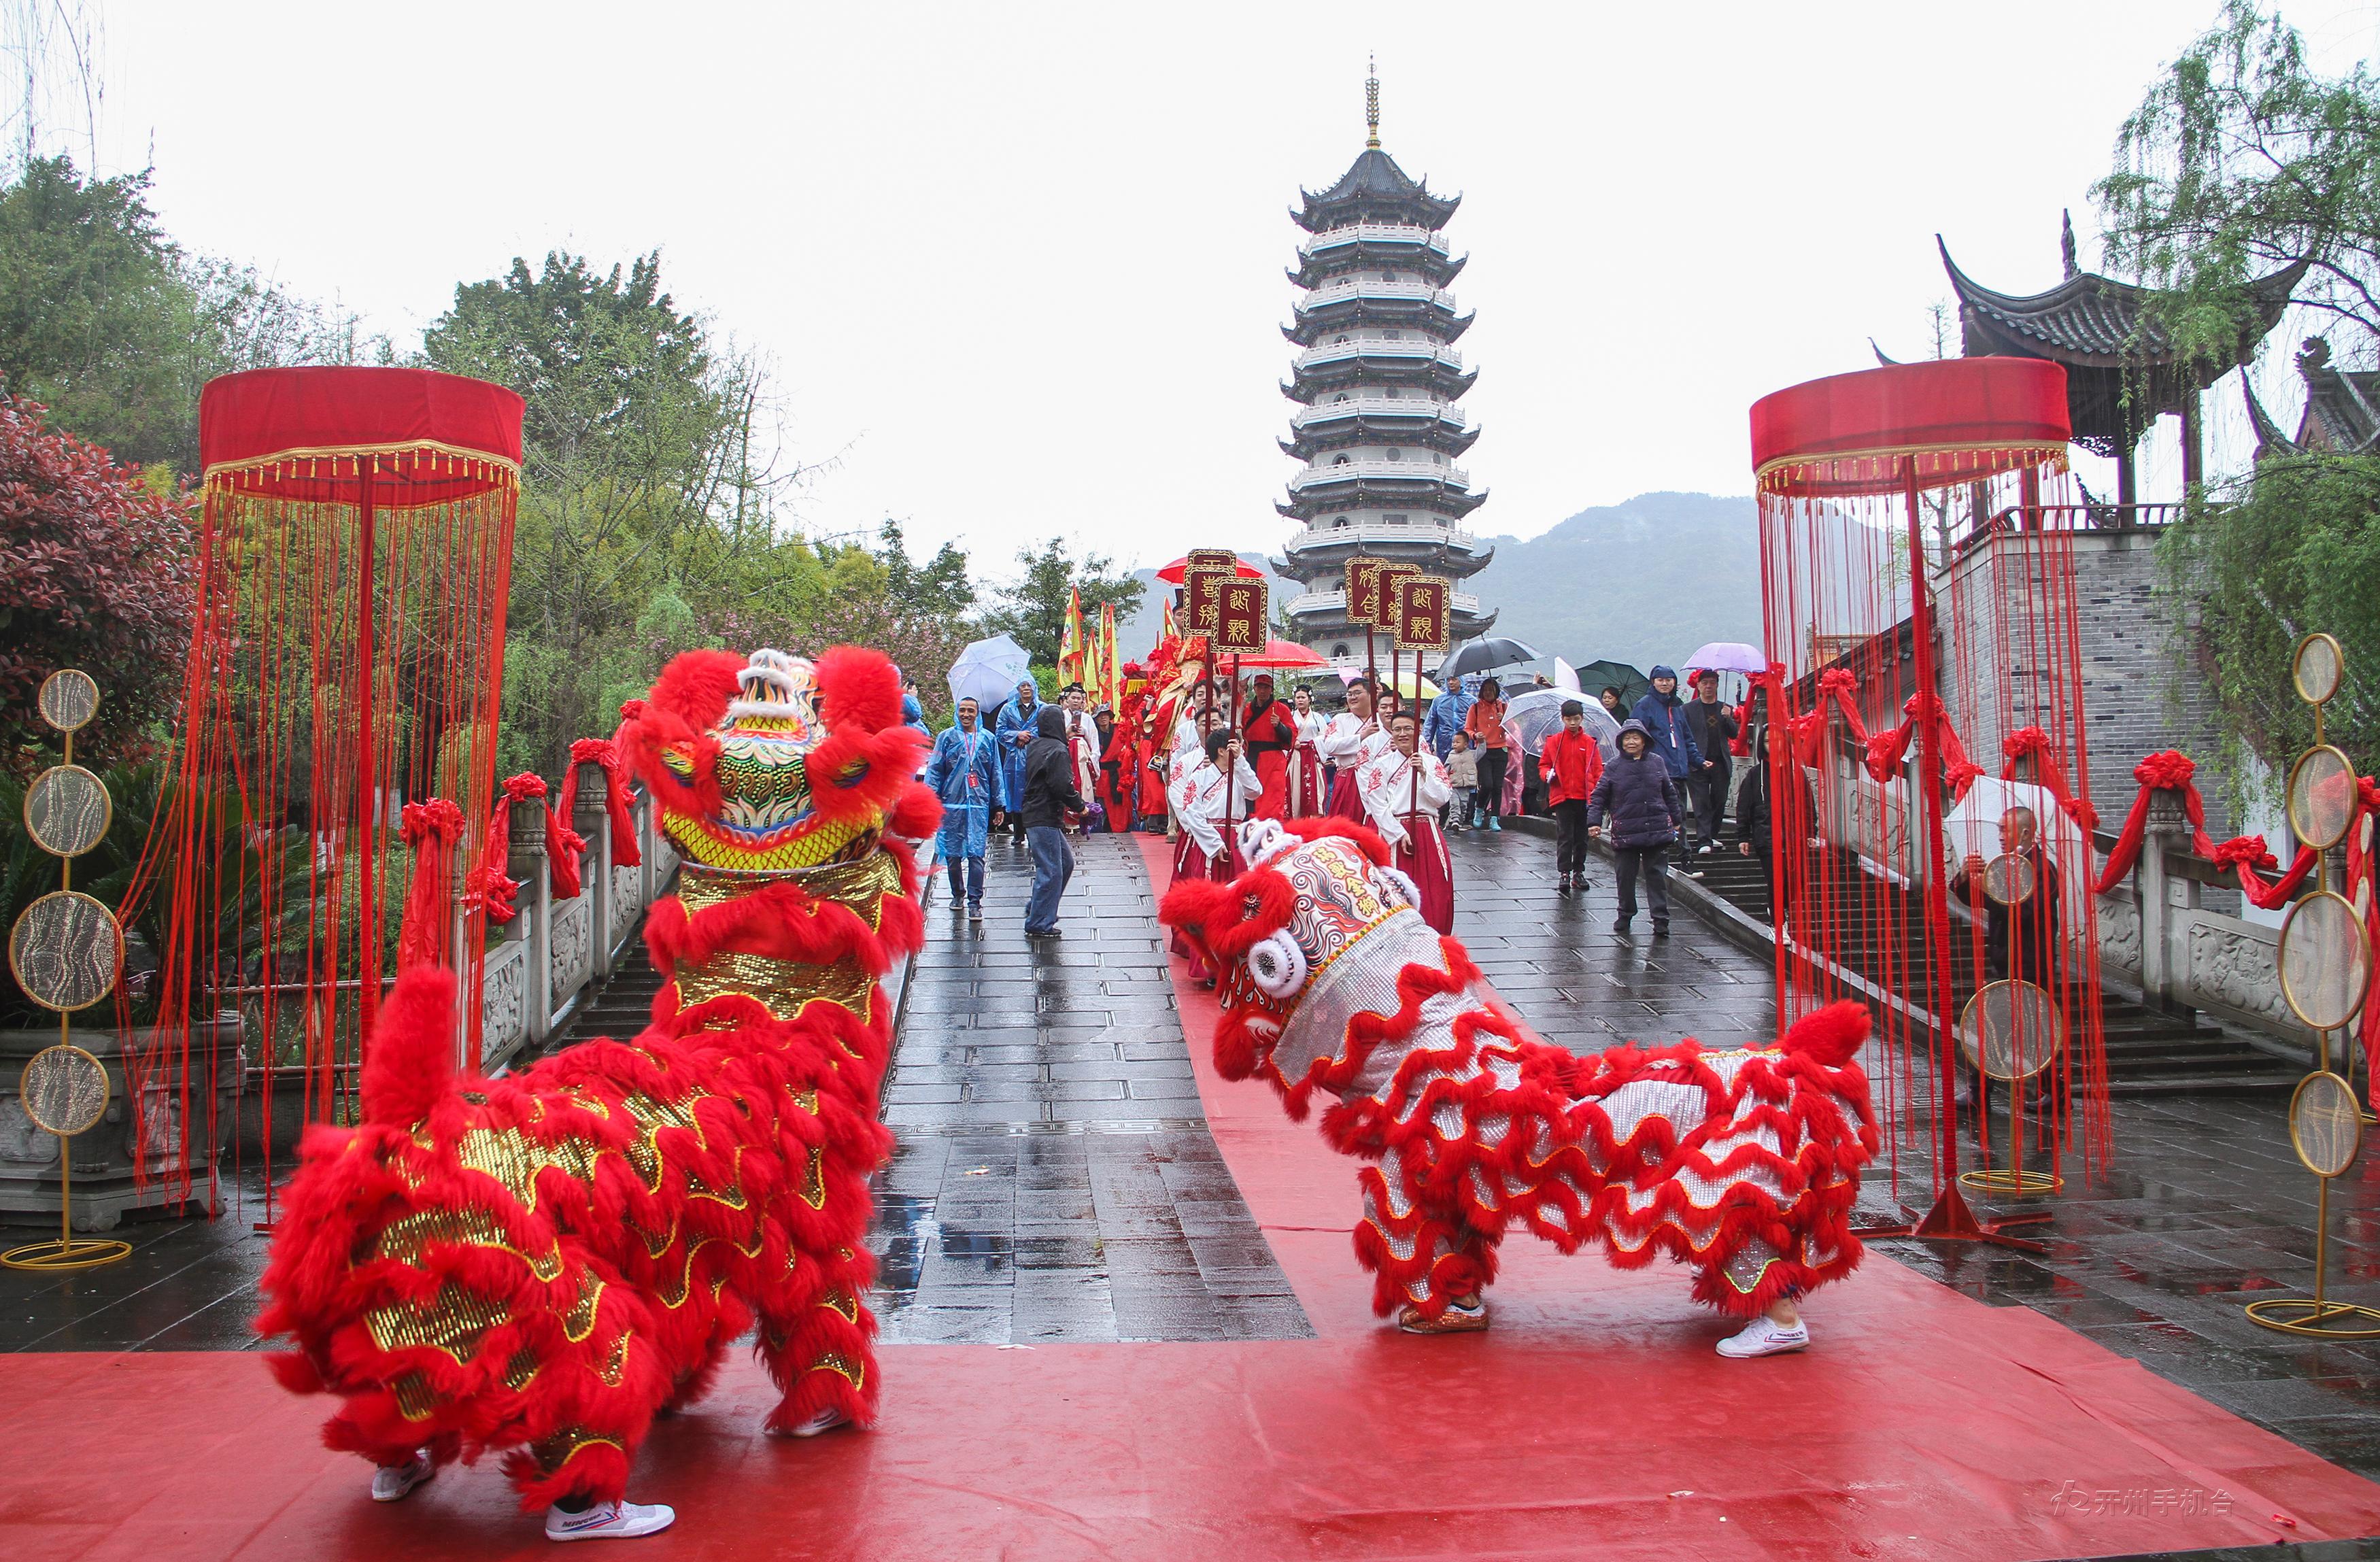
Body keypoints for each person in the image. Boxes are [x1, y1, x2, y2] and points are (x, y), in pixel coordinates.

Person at [1169, 728, 1263, 983]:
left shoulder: (1238, 774)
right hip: (1210, 840)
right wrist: (1213, 843)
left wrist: (1241, 760)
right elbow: (1191, 811)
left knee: (1238, 901)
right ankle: (1210, 964)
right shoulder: (1199, 778)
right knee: (1210, 903)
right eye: (1234, 746)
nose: (1239, 748)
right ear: (1222, 750)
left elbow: (1256, 791)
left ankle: (1238, 960)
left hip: (1235, 839)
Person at [1358, 711, 1455, 933]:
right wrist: (1398, 833)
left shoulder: (1431, 762)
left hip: (1426, 830)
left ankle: (1434, 933)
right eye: (1397, 729)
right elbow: (1376, 803)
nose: (1403, 734)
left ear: (1417, 731)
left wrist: (1423, 773)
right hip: (1395, 831)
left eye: (1408, 729)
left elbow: (1442, 797)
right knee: (1395, 887)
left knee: (1435, 886)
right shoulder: (1382, 764)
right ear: (1391, 733)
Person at [1586, 719, 1684, 936]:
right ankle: (1625, 914)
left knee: (1657, 876)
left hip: (1656, 829)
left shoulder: (1657, 762)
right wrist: (1593, 822)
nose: (1631, 742)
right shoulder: (1613, 766)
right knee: (1625, 877)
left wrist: (1676, 818)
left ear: (1644, 741)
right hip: (1626, 832)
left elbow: (1669, 791)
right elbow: (1599, 795)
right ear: (1621, 742)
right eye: (1627, 738)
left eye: (1636, 738)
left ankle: (1660, 920)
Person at [1951, 805, 2061, 985]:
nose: (2000, 837)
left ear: (2025, 834)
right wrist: (1964, 876)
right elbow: (1976, 900)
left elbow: (2028, 913)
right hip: (2003, 963)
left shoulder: (2043, 869)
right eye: (1999, 830)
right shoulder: (2004, 866)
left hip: (2030, 967)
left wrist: (1990, 890)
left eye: (2005, 830)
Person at [923, 696, 1006, 922]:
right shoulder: (947, 738)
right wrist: (930, 797)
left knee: (976, 854)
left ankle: (975, 902)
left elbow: (995, 772)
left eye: (971, 711)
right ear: (957, 712)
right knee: (952, 854)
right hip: (952, 803)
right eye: (963, 710)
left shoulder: (988, 739)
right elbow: (935, 770)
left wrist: (999, 804)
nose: (967, 715)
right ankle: (958, 894)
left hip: (979, 804)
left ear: (977, 713)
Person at [1021, 705, 1087, 938]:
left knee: (1065, 864)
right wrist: (1081, 807)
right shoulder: (1058, 750)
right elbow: (1062, 786)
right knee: (1051, 870)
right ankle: (1039, 921)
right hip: (1044, 815)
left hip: (1038, 814)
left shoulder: (1036, 745)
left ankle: (1039, 909)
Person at [1628, 666, 1701, 864]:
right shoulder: (1645, 705)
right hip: (1655, 772)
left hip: (1678, 771)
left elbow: (1687, 738)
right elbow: (1634, 736)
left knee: (1680, 816)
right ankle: (1672, 858)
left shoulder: (1677, 707)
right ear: (1653, 682)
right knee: (1662, 815)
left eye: (1669, 680)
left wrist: (1698, 761)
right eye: (1660, 680)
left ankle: (1683, 859)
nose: (1665, 683)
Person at [1540, 699, 1604, 896]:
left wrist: (1598, 792)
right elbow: (1543, 765)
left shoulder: (1590, 743)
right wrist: (1547, 775)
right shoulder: (1554, 742)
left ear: (1582, 718)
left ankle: (1578, 872)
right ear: (1563, 719)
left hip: (1585, 798)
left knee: (1581, 838)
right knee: (1565, 836)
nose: (1573, 723)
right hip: (1563, 797)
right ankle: (1565, 872)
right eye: (1569, 720)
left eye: (1576, 719)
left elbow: (1598, 770)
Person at [1684, 670, 1739, 857]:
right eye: (1705, 683)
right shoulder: (1688, 710)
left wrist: (1728, 718)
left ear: (1717, 685)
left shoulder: (1725, 708)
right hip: (1698, 763)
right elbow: (1684, 735)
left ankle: (1712, 834)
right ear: (1698, 685)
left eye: (1712, 683)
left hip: (1720, 762)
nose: (1708, 686)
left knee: (1719, 800)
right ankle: (1704, 840)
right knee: (1701, 802)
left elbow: (1734, 734)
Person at [1319, 677, 1387, 820]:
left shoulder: (1382, 721)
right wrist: (1361, 737)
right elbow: (1329, 746)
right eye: (1350, 694)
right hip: (1348, 779)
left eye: (1357, 693)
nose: (1352, 697)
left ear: (1371, 695)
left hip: (1376, 778)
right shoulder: (1341, 719)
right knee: (1347, 825)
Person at [1735, 702, 1778, 922]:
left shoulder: (1793, 771)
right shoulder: (1756, 774)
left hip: (1792, 837)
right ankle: (1778, 921)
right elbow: (1744, 806)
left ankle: (1777, 909)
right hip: (1766, 835)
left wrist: (1811, 831)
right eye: (1769, 741)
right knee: (1774, 879)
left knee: (1794, 881)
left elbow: (1807, 803)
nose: (1774, 744)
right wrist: (1744, 836)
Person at [1239, 671, 1299, 820]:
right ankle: (1251, 826)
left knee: (1273, 796)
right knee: (1252, 795)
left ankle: (1272, 828)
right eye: (1259, 687)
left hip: (1273, 760)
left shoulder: (1281, 709)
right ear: (1254, 689)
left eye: (1266, 687)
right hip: (1251, 757)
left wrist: (1279, 726)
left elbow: (1292, 735)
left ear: (1271, 689)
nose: (1263, 691)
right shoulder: (1247, 709)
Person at [993, 678, 1042, 841]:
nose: (1026, 689)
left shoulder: (1043, 708)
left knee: (1035, 792)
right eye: (1023, 686)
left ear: (1034, 688)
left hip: (1036, 755)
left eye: (1029, 685)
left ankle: (1034, 833)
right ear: (1018, 689)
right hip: (1014, 757)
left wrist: (1028, 736)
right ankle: (1018, 832)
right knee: (1014, 792)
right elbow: (1000, 731)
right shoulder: (1007, 709)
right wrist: (1016, 736)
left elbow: (1046, 727)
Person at [1462, 677, 1509, 830]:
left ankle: (1495, 818)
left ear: (1496, 691)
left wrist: (1505, 721)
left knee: (1497, 786)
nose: (1488, 692)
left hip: (1501, 750)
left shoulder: (1503, 707)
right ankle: (1479, 809)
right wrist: (1475, 735)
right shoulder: (1475, 708)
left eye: (1492, 689)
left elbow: (1513, 729)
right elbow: (1468, 729)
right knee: (1487, 784)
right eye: (1486, 689)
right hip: (1483, 750)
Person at [1059, 683, 1102, 832]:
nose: (1076, 701)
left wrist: (1093, 760)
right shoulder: (1060, 716)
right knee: (1065, 784)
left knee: (1084, 786)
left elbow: (1094, 741)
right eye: (1073, 698)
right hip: (1065, 753)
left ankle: (1081, 823)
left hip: (1083, 756)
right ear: (1067, 699)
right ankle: (1064, 823)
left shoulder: (1087, 719)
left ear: (1083, 701)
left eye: (1079, 698)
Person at [1287, 686, 1327, 818]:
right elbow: (1286, 734)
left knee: (1315, 787)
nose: (1300, 700)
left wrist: (1314, 744)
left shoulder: (1317, 718)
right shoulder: (1290, 716)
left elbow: (1325, 736)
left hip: (1312, 754)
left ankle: (1315, 815)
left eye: (1303, 697)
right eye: (1298, 697)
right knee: (1296, 786)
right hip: (1296, 756)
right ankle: (1296, 816)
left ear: (1310, 699)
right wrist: (1293, 741)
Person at [1421, 674, 1476, 763]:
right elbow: (1430, 724)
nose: (1451, 682)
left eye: (1454, 679)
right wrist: (1426, 744)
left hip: (1465, 743)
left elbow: (1476, 724)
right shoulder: (1438, 700)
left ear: (1461, 681)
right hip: (1444, 742)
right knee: (1444, 770)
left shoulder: (1471, 701)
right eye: (1448, 680)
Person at [1446, 730, 1478, 834]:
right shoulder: (1451, 756)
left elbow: (1482, 751)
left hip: (1466, 786)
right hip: (1454, 785)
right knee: (1454, 803)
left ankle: (1459, 822)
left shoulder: (1471, 754)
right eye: (1453, 742)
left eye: (1457, 742)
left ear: (1466, 744)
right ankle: (1454, 820)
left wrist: (1482, 742)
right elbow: (1445, 768)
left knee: (1463, 805)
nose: (1454, 745)